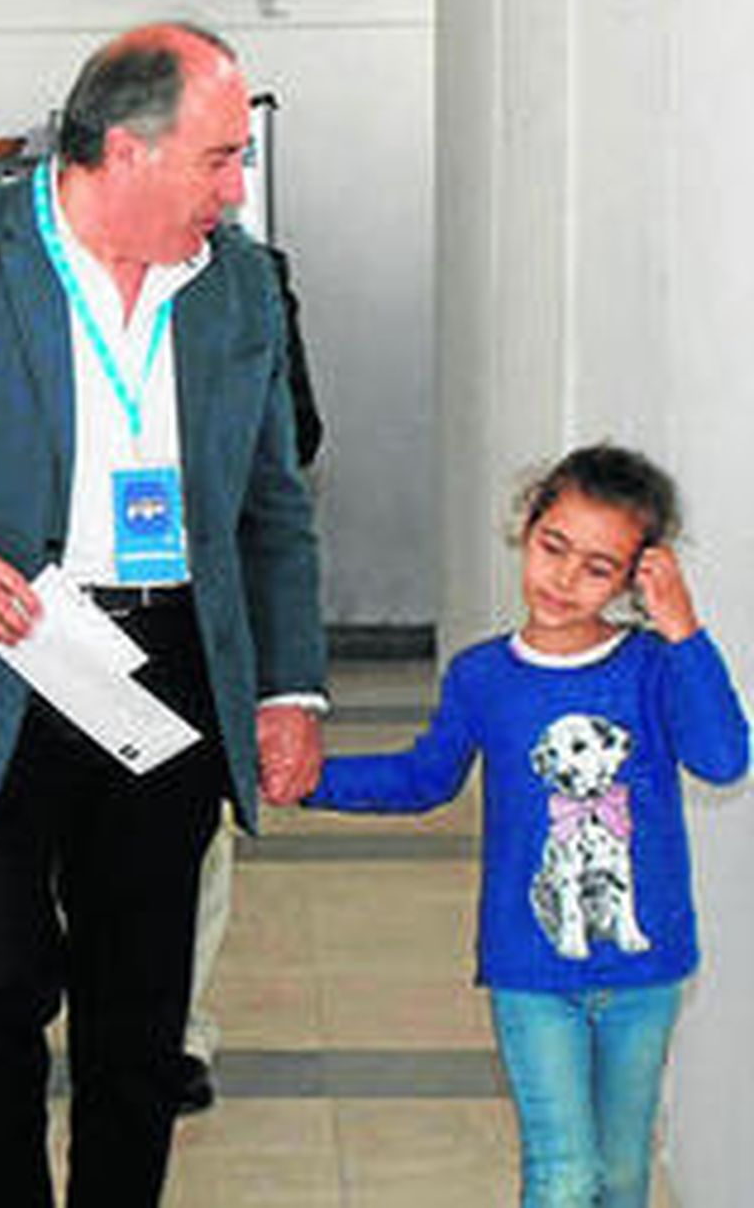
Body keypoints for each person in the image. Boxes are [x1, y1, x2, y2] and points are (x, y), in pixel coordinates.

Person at [0, 23, 327, 1207]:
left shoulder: (236, 284)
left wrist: (288, 686)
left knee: (141, 1014)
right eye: (218, 157)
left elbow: (272, 503)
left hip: (167, 672)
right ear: (125, 153)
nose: (235, 187)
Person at [304, 444, 748, 1208]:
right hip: (530, 969)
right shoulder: (483, 675)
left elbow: (721, 756)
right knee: (564, 1173)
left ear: (638, 575)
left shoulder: (651, 666)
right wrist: (305, 779)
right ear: (527, 524)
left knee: (621, 1173)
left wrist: (683, 629)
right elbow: (422, 779)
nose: (565, 579)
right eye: (554, 547)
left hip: (647, 970)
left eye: (599, 567)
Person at [179, 240, 324, 1114]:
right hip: (55, 616)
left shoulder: (254, 276)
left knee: (198, 833)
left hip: (206, 604)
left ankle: (176, 1030)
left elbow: (298, 433)